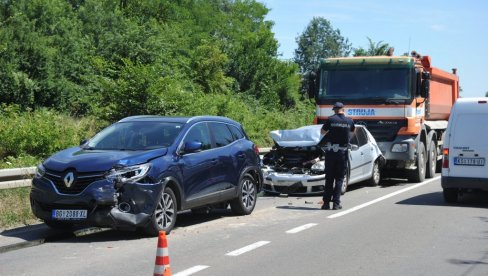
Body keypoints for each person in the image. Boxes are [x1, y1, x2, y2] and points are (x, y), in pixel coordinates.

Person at [320, 102, 355, 210]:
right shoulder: (350, 121)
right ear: (343, 109)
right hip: (342, 152)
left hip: (331, 152)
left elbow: (322, 132)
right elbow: (353, 132)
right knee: (339, 178)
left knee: (329, 178)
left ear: (334, 110)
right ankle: (336, 204)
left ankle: (326, 204)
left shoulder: (330, 120)